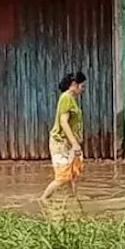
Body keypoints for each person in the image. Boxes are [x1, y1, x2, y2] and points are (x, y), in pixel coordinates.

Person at [42, 72, 86, 202]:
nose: (83, 89)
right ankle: (43, 200)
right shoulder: (66, 98)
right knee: (62, 177)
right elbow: (63, 122)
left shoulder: (71, 99)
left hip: (68, 144)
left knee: (72, 175)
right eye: (82, 86)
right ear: (74, 85)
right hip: (61, 143)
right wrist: (75, 144)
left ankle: (72, 200)